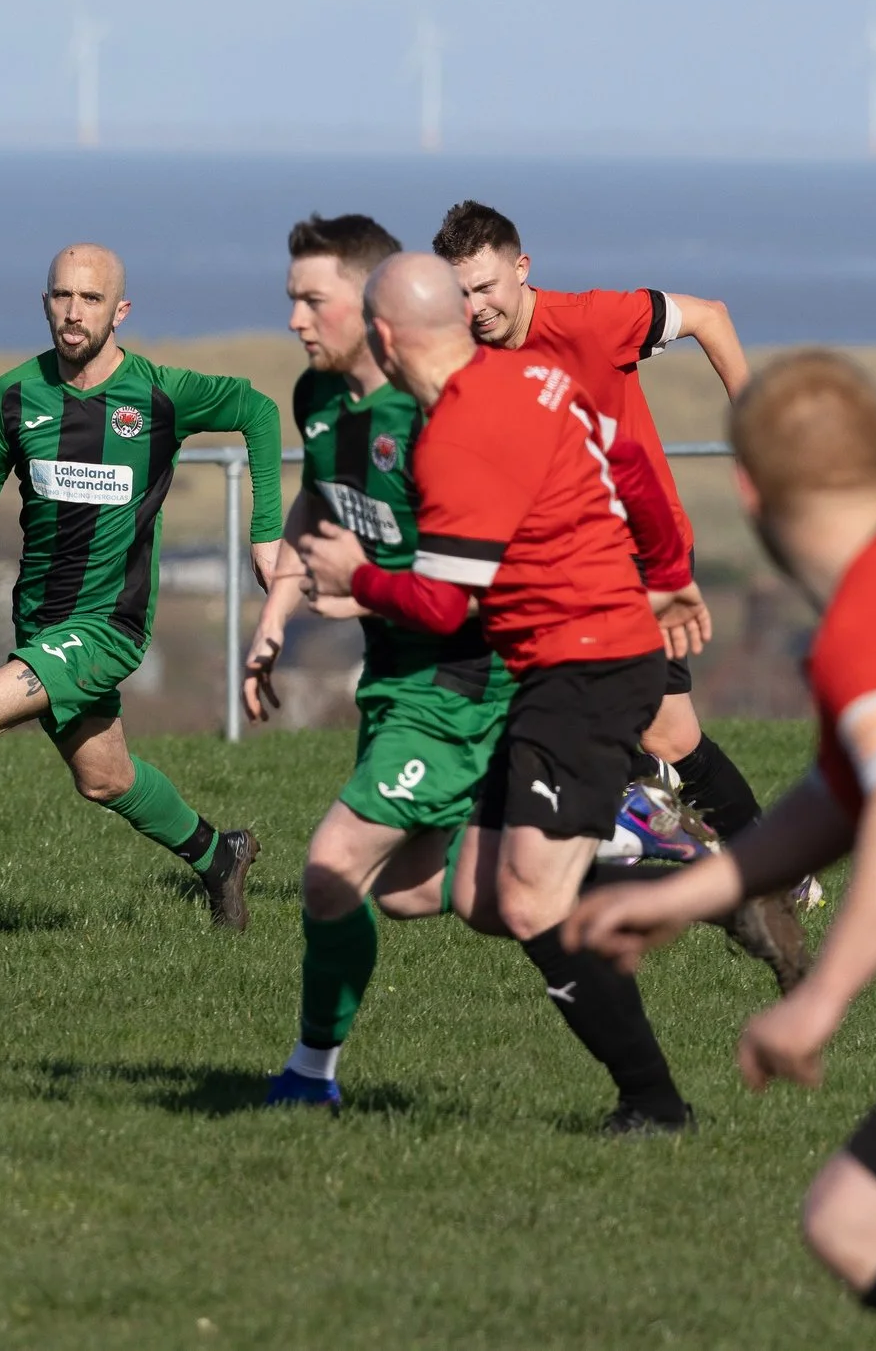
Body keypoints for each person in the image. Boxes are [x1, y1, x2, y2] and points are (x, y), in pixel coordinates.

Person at [568, 352, 876, 1347]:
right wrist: (690, 890)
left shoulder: (874, 624)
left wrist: (816, 999)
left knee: (853, 1216)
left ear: (747, 489)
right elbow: (846, 791)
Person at [296, 254, 712, 1133]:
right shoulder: (536, 376)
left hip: (585, 666)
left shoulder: (454, 437)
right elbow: (634, 460)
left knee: (528, 901)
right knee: (429, 891)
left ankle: (655, 1103)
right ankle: (649, 858)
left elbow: (448, 602)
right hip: (559, 665)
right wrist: (669, 573)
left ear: (382, 336)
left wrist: (358, 577)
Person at [432, 200, 809, 991]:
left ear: (522, 268)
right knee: (662, 736)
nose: (477, 309)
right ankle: (752, 867)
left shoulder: (599, 320)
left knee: (663, 738)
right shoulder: (470, 354)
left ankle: (735, 869)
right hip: (559, 567)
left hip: (642, 556)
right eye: (462, 294)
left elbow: (711, 316)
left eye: (487, 288)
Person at [0, 243, 285, 941]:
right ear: (45, 302)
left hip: (108, 627)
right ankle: (220, 856)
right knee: (105, 778)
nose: (73, 311)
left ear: (120, 311)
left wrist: (263, 529)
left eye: (90, 299)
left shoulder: (157, 394)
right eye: (62, 295)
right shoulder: (14, 394)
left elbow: (260, 411)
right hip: (40, 625)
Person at [243, 215, 510, 1109]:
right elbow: (321, 503)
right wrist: (275, 618)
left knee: (331, 862)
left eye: (311, 301)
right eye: (291, 301)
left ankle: (309, 1077)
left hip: (464, 675)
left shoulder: (439, 408)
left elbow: (477, 567)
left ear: (373, 306)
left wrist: (360, 591)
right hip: (395, 678)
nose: (294, 321)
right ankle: (608, 846)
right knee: (407, 892)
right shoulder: (319, 401)